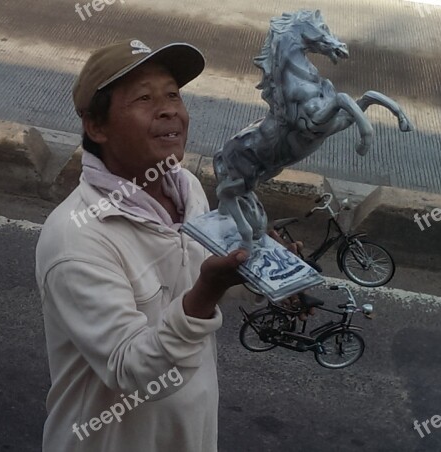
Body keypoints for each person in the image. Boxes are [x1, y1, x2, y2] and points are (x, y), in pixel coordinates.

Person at [35, 38, 299, 452]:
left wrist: (265, 268)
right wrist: (209, 289)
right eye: (144, 98)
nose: (169, 110)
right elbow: (132, 368)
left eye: (173, 94)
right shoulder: (76, 237)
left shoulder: (188, 187)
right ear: (96, 126)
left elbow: (199, 277)